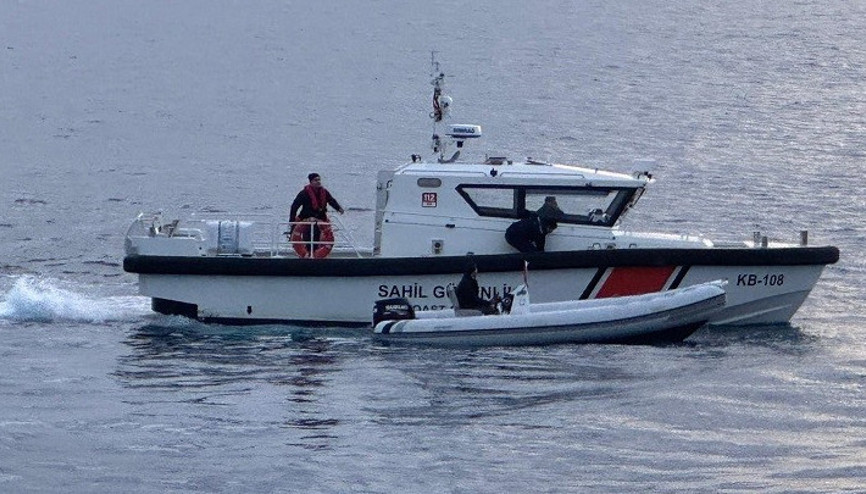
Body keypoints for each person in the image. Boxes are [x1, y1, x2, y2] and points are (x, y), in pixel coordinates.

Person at [289, 173, 344, 242]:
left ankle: (316, 250)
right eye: (316, 180)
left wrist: (338, 208)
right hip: (307, 219)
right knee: (308, 237)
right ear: (311, 182)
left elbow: (331, 201)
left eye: (319, 180)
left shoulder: (324, 192)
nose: (318, 182)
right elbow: (294, 206)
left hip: (320, 218)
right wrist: (292, 220)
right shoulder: (304, 193)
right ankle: (308, 251)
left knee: (318, 237)